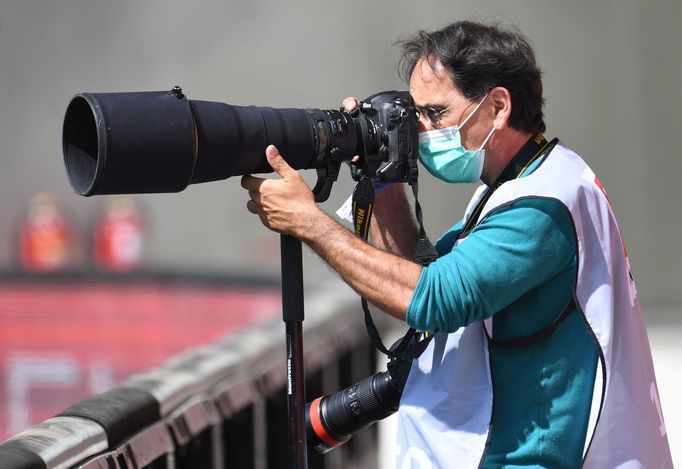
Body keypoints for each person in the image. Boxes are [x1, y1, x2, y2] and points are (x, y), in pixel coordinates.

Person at [241, 21, 672, 468]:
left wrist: (309, 223)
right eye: (414, 116)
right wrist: (380, 173)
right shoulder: (525, 182)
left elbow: (432, 299)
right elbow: (418, 269)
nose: (423, 131)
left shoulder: (542, 206)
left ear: (498, 107)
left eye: (435, 113)